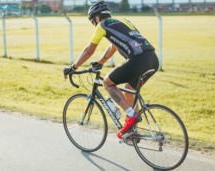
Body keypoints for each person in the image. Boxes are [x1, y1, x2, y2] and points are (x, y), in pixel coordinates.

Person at [63, 1, 159, 139]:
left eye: (93, 22)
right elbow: (114, 46)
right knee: (129, 91)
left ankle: (132, 116)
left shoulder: (101, 25)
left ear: (96, 18)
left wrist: (73, 67)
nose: (94, 25)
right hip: (153, 59)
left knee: (107, 83)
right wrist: (100, 62)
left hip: (138, 60)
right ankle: (133, 132)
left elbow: (88, 51)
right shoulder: (124, 21)